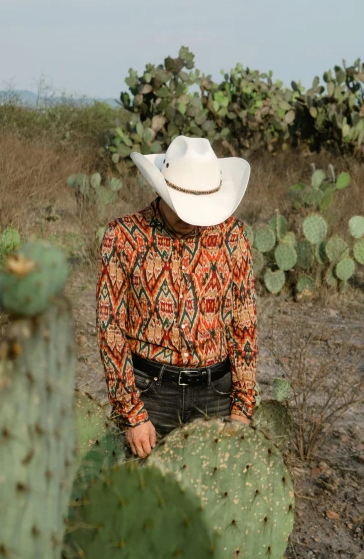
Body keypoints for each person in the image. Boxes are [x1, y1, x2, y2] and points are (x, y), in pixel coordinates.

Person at [96, 135, 258, 458]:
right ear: (161, 189)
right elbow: (110, 328)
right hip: (150, 395)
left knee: (211, 506)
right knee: (146, 503)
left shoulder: (233, 237)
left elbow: (244, 323)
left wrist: (242, 405)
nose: (189, 217)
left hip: (217, 393)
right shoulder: (123, 236)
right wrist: (132, 413)